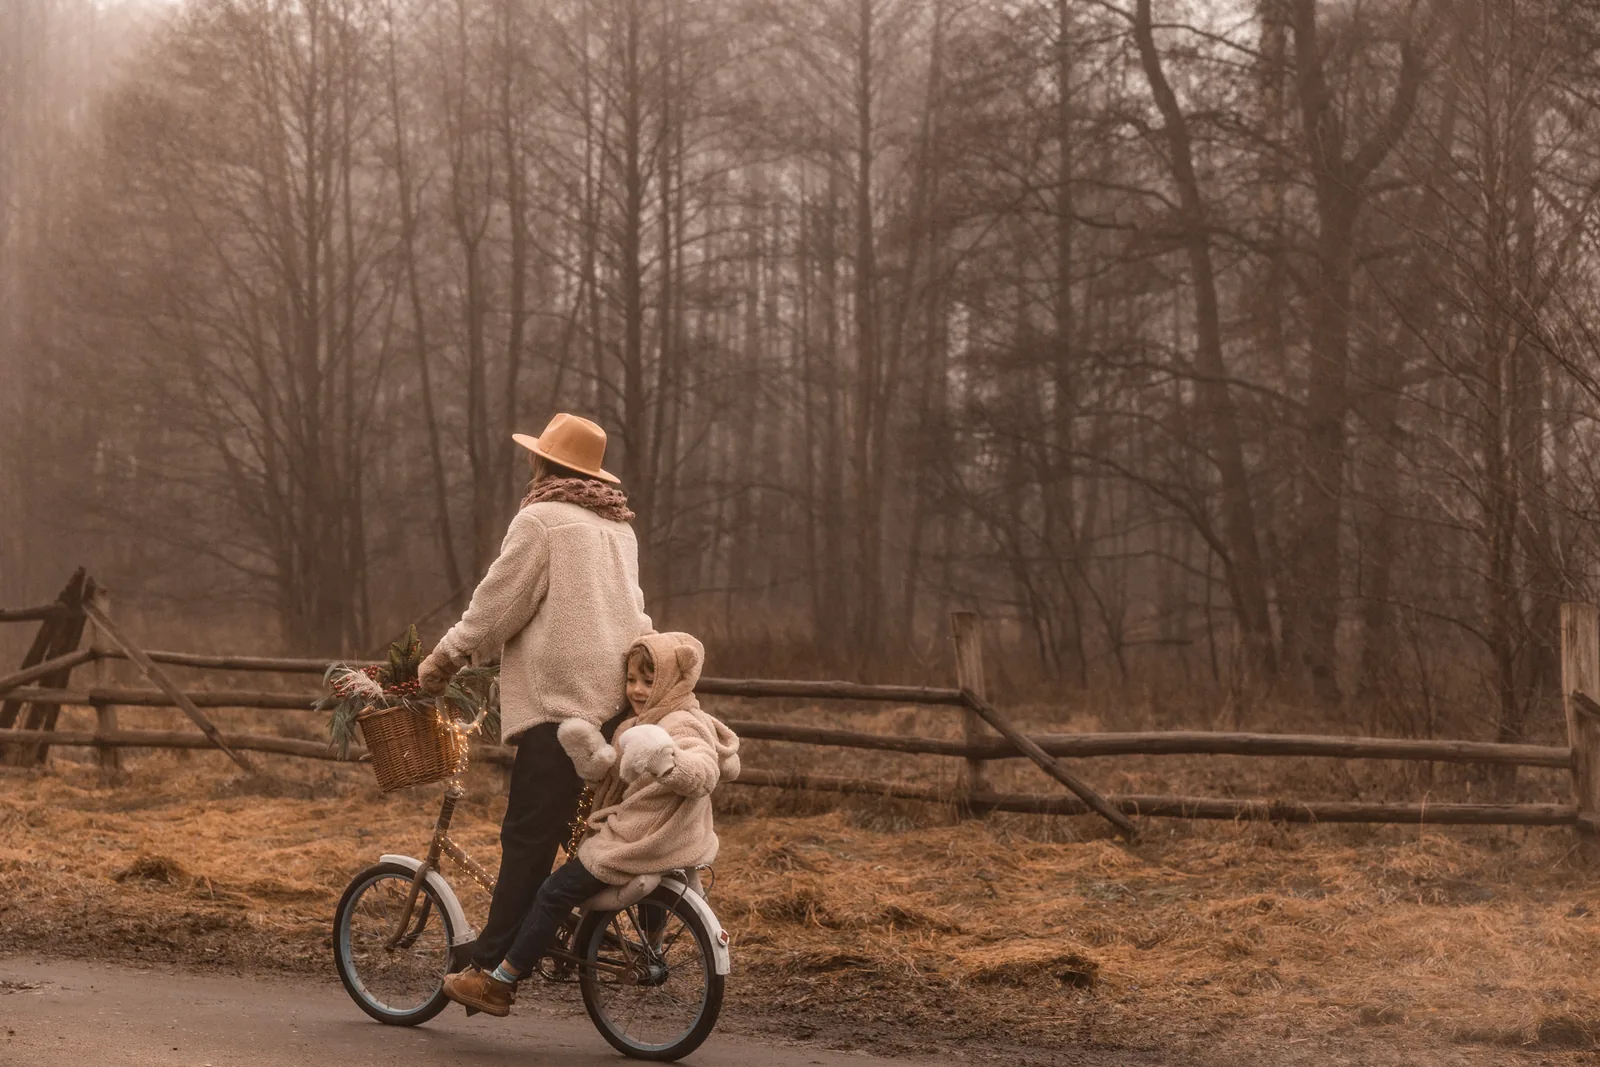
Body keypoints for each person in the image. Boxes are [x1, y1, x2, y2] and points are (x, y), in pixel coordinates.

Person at [418, 412, 652, 984]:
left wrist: (445, 658)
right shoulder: (619, 527)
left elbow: (497, 606)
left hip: (560, 705)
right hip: (615, 701)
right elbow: (634, 609)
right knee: (587, 829)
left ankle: (496, 955)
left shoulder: (542, 520)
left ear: (541, 461)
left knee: (527, 832)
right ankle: (587, 932)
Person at [440, 630, 740, 1017]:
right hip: (659, 836)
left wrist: (664, 759)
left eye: (649, 681)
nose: (637, 690)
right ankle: (650, 943)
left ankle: (499, 983)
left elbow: (702, 771)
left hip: (640, 839)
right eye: (631, 680)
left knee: (553, 891)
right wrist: (593, 761)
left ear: (670, 681)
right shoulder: (644, 721)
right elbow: (621, 772)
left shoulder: (681, 723)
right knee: (571, 863)